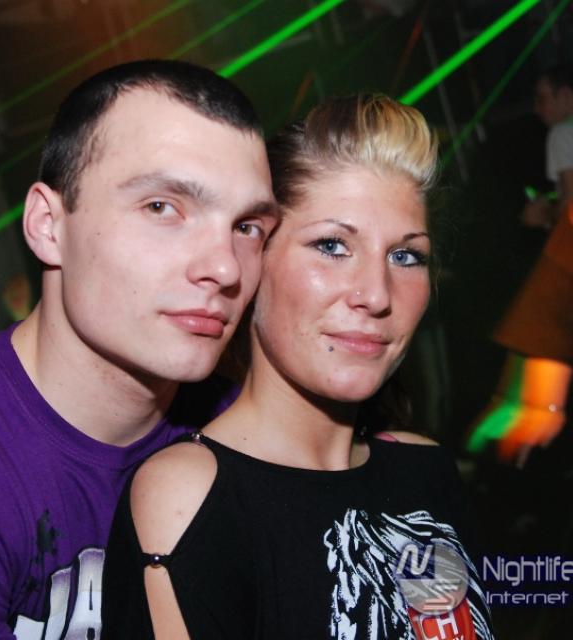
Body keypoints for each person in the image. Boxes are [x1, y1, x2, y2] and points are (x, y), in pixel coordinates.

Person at [102, 94, 494, 639]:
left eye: (405, 256)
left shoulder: (426, 471)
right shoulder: (192, 501)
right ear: (252, 261)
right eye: (332, 246)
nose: (377, 294)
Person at [0, 59, 278, 638]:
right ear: (48, 225)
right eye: (162, 207)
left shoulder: (247, 437)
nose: (225, 268)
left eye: (247, 227)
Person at [467, 64, 573, 465]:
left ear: (567, 96)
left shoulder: (562, 134)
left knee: (525, 376)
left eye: (544, 98)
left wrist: (539, 215)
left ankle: (486, 462)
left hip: (563, 269)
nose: (538, 108)